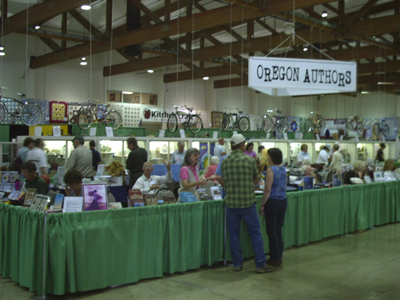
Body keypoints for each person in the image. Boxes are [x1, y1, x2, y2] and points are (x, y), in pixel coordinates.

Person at [221, 134, 273, 273]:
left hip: (231, 203)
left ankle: (237, 264)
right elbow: (256, 181)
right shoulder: (249, 160)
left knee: (233, 233)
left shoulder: (225, 161)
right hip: (247, 202)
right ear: (242, 145)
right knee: (255, 233)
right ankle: (260, 264)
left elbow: (224, 181)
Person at [260, 148, 287, 267]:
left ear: (271, 158)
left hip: (273, 202)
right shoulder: (283, 169)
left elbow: (267, 189)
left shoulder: (271, 170)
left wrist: (262, 204)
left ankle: (274, 257)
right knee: (278, 230)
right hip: (283, 201)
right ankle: (279, 256)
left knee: (271, 231)